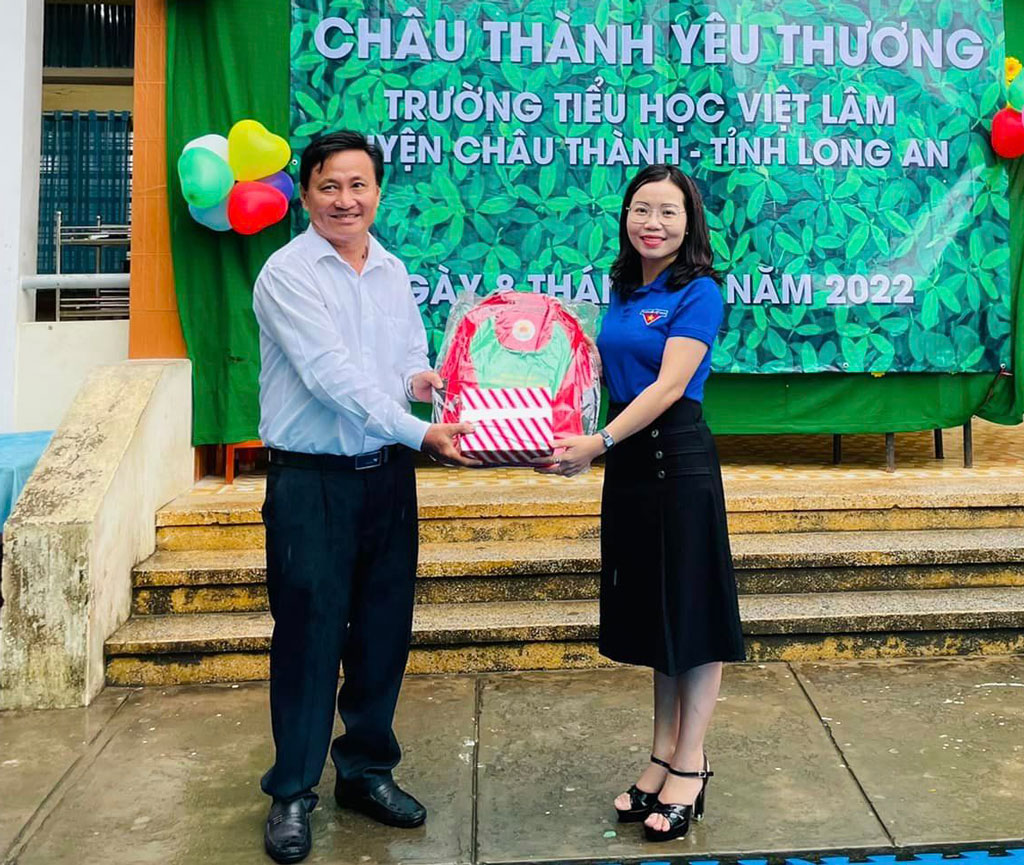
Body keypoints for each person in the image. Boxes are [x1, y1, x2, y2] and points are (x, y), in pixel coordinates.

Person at [252, 130, 477, 864]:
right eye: (329, 186)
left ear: (378, 192)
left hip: (386, 476)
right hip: (311, 481)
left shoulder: (391, 268)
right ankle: (292, 791)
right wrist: (421, 430)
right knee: (309, 636)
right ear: (306, 195)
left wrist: (429, 384)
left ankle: (365, 771)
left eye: (358, 185)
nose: (345, 200)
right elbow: (332, 377)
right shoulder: (286, 274)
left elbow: (405, 357)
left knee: (383, 630)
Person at [541, 164, 745, 842]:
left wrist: (597, 441)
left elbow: (667, 387)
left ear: (689, 224)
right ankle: (661, 755)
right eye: (641, 209)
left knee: (693, 614)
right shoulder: (624, 289)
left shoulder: (700, 291)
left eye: (667, 212)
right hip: (630, 465)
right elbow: (601, 372)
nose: (652, 222)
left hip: (677, 461)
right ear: (625, 216)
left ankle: (692, 763)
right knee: (658, 617)